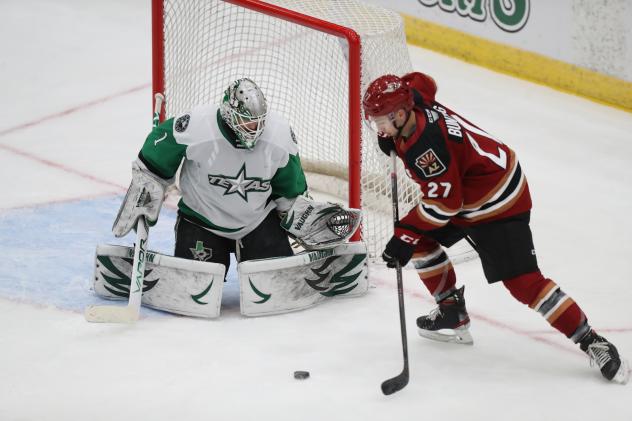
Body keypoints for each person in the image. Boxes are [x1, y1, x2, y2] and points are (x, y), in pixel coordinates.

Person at [362, 72, 629, 384]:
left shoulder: (426, 147)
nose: (377, 127)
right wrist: (392, 130)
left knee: (523, 283)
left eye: (381, 119)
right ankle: (451, 312)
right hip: (469, 187)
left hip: (498, 200)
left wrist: (404, 234)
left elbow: (444, 206)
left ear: (401, 113)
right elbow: (423, 82)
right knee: (417, 239)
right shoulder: (414, 100)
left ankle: (593, 341)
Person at [113, 78, 309, 271]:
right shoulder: (198, 126)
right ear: (229, 113)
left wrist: (303, 216)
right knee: (195, 287)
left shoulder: (279, 135)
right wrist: (150, 180)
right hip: (202, 221)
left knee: (274, 279)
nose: (254, 129)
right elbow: (160, 144)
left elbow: (290, 188)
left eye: (258, 122)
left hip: (257, 222)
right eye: (246, 122)